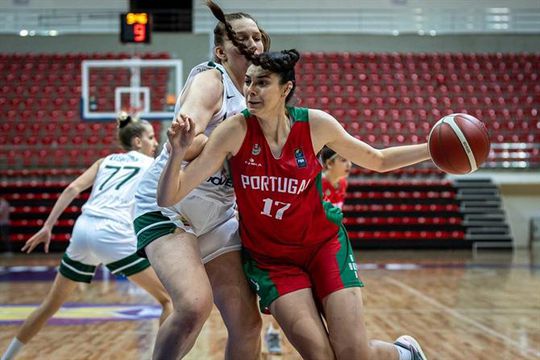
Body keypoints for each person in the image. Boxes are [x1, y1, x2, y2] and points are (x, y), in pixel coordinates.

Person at [157, 49, 430, 360]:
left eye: (262, 83)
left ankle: (404, 353)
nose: (251, 90)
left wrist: (432, 149)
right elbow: (169, 196)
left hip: (323, 245)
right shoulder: (234, 131)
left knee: (353, 354)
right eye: (248, 82)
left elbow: (378, 160)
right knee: (320, 355)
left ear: (285, 89)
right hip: (273, 261)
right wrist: (177, 153)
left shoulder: (315, 125)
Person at [132, 1, 270, 359]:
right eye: (244, 38)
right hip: (169, 205)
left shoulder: (260, 95)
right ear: (222, 51)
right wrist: (201, 141)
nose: (254, 43)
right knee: (193, 305)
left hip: (218, 214)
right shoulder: (213, 81)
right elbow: (188, 136)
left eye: (258, 37)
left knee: (248, 324)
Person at [1, 113, 172, 360]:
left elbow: (72, 188)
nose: (155, 143)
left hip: (83, 229)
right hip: (113, 232)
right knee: (169, 299)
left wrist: (48, 226)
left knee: (49, 305)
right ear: (137, 142)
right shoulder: (152, 165)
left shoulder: (104, 161)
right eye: (151, 137)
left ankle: (6, 357)